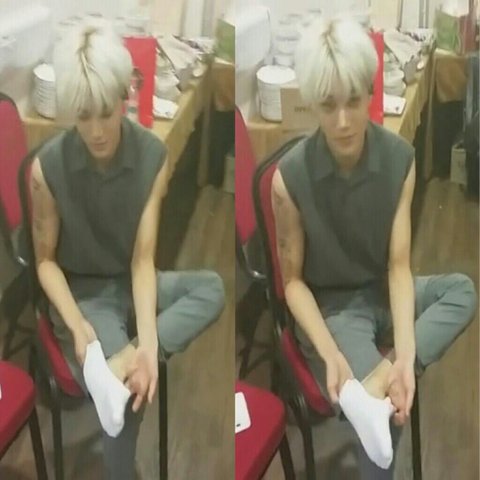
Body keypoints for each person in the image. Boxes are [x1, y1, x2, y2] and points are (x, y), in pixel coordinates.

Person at [271, 16, 477, 478]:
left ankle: (383, 380)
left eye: (353, 101)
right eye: (328, 106)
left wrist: (404, 355)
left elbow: (399, 266)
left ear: (370, 91)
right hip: (335, 309)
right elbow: (294, 283)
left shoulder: (399, 160)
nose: (343, 121)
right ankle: (377, 391)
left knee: (462, 290)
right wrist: (331, 354)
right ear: (313, 103)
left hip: (380, 290)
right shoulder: (290, 179)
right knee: (387, 422)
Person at [30, 19, 225, 479]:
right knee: (130, 398)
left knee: (212, 288)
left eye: (105, 112)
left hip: (129, 278)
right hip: (85, 294)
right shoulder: (48, 168)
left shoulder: (152, 157)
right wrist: (77, 327)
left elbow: (142, 261)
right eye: (83, 116)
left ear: (124, 97)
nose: (97, 130)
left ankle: (117, 363)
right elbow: (45, 262)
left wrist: (148, 345)